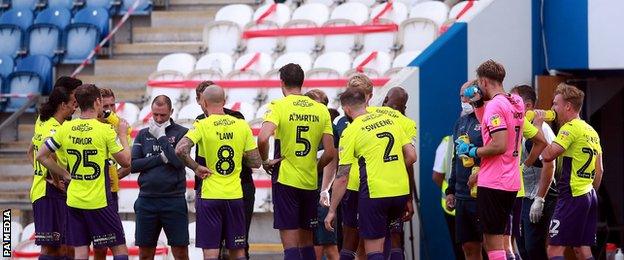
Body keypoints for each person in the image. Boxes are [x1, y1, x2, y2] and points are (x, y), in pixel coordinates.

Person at [36, 84, 131, 260]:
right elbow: (125, 161)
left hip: (74, 200)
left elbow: (41, 155)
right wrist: (123, 135)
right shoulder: (104, 130)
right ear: (97, 102)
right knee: (119, 248)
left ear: (78, 104)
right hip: (99, 200)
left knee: (81, 251)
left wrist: (64, 174)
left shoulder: (65, 128)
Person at [324, 87, 417, 260]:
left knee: (372, 249)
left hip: (375, 192)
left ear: (346, 110)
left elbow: (343, 175)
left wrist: (331, 210)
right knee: (388, 238)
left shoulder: (351, 131)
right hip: (400, 191)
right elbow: (411, 156)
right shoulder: (391, 121)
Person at [257, 63, 336, 260]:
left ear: (282, 82)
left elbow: (263, 138)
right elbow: (329, 152)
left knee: (290, 245)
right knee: (307, 242)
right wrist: (315, 168)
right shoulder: (321, 110)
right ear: (302, 82)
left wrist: (266, 161)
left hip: (285, 179)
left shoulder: (278, 106)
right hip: (309, 181)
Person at [175, 85, 262, 260]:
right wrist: (238, 156)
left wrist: (196, 168)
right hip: (235, 195)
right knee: (238, 250)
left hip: (210, 196)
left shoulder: (202, 124)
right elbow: (256, 162)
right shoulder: (241, 125)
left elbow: (180, 150)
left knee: (211, 252)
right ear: (224, 101)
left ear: (204, 103)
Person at [458, 60, 525, 260]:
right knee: (497, 239)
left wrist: (472, 151)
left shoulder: (496, 105)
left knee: (493, 241)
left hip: (495, 181)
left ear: (485, 81)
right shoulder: (516, 100)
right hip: (511, 180)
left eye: (479, 83)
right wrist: (478, 103)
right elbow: (487, 122)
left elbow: (499, 144)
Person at [541, 83, 603, 260]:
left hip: (571, 195)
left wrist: (538, 128)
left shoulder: (569, 128)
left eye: (555, 103)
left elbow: (547, 156)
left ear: (567, 106)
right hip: (589, 195)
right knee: (582, 251)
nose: (553, 108)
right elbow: (600, 171)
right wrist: (590, 193)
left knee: (554, 250)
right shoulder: (592, 131)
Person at [27, 76, 81, 260]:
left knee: (63, 247)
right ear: (63, 104)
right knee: (51, 248)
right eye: (74, 101)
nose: (76, 106)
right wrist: (60, 177)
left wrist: (41, 171)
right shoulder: (55, 129)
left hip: (47, 189)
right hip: (47, 192)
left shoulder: (42, 122)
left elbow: (31, 152)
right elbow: (46, 156)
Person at [131, 95, 190, 260]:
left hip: (173, 199)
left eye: (163, 115)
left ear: (171, 111)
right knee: (145, 254)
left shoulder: (182, 133)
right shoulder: (143, 134)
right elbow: (134, 165)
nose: (158, 119)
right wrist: (161, 158)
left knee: (180, 253)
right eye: (155, 114)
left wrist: (162, 137)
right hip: (147, 200)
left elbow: (178, 162)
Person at [510, 85, 557, 260]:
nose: (510, 104)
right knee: (522, 248)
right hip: (523, 196)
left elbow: (549, 165)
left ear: (528, 106)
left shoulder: (542, 129)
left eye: (514, 101)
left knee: (533, 248)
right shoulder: (520, 127)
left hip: (539, 196)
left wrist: (540, 199)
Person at [445, 81, 484, 260]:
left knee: (491, 246)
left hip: (483, 193)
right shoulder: (460, 122)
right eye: (461, 96)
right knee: (468, 246)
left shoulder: (486, 119)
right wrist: (451, 190)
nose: (463, 99)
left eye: (466, 95)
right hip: (462, 194)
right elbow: (456, 157)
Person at [305, 89, 340, 260]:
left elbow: (331, 160)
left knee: (326, 244)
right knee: (317, 243)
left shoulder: (329, 130)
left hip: (323, 190)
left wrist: (324, 190)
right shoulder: (314, 126)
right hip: (315, 189)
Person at [431, 135, 464, 260]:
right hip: (453, 207)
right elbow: (437, 176)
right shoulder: (448, 142)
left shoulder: (448, 141)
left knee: (463, 250)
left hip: (457, 206)